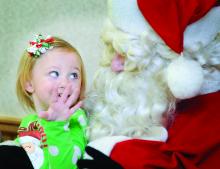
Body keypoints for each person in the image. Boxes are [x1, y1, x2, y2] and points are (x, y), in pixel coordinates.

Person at [77, 0, 220, 169]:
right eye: (110, 49)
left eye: (127, 56)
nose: (113, 65)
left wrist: (122, 156)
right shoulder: (143, 104)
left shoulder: (209, 120)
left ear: (177, 70)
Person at [0, 34, 87, 169]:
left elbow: (65, 166)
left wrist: (58, 124)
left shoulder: (76, 119)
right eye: (54, 73)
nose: (65, 83)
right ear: (29, 83)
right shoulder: (29, 122)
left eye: (74, 75)